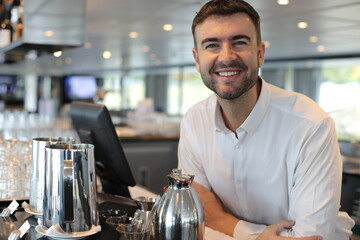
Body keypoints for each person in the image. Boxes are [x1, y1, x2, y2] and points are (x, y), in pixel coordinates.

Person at [177, 0, 355, 239]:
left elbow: (309, 236)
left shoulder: (311, 125)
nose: (226, 56)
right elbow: (194, 218)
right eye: (212, 45)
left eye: (239, 42)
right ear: (197, 59)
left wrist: (224, 222)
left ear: (260, 54)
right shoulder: (194, 121)